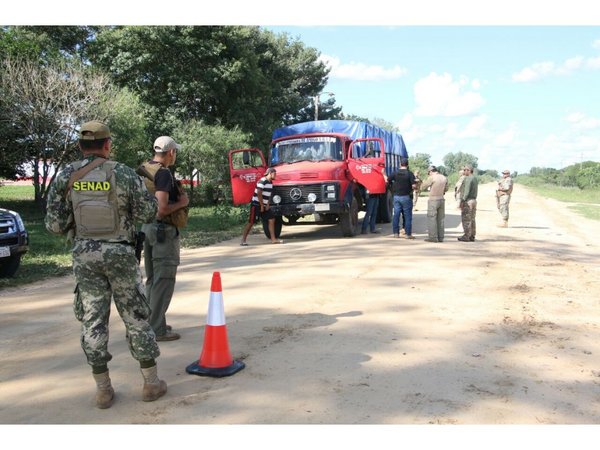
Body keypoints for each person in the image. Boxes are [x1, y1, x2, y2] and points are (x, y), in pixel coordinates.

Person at [45, 121, 167, 409]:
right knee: (135, 316)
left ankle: (103, 390)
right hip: (120, 254)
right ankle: (150, 383)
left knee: (93, 320)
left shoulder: (66, 176)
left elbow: (53, 225)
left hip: (85, 256)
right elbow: (148, 213)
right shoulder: (123, 173)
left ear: (79, 145)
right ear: (107, 145)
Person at [138, 136, 189, 342]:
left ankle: (149, 322)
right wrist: (183, 202)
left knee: (152, 280)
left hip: (146, 228)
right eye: (175, 151)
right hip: (162, 231)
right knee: (163, 280)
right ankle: (157, 328)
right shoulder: (163, 174)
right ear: (170, 152)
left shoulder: (143, 170)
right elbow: (161, 210)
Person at [240, 167, 282, 245]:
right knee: (251, 222)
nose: (275, 175)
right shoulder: (262, 181)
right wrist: (262, 205)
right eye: (274, 174)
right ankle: (243, 240)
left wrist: (267, 205)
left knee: (271, 219)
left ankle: (273, 239)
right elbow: (259, 192)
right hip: (256, 205)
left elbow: (268, 194)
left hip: (265, 205)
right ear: (270, 173)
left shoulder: (270, 183)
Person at [388, 158, 416, 239]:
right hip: (406, 197)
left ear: (400, 164)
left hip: (396, 197)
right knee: (407, 216)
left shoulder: (395, 173)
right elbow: (414, 186)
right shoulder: (410, 174)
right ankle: (408, 234)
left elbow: (388, 180)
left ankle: (396, 233)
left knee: (396, 215)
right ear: (407, 165)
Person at [420, 165, 448, 242]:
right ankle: (441, 237)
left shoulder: (432, 178)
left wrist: (423, 182)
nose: (429, 174)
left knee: (432, 219)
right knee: (441, 219)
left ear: (431, 171)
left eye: (428, 173)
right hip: (441, 199)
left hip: (433, 200)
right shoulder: (444, 177)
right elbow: (446, 188)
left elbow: (423, 187)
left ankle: (432, 237)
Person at [458, 164, 478, 242]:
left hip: (468, 200)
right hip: (473, 200)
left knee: (466, 219)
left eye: (465, 170)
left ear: (469, 170)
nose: (464, 171)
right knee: (472, 219)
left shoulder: (468, 178)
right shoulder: (474, 178)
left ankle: (466, 236)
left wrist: (462, 201)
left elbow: (466, 191)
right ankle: (472, 235)